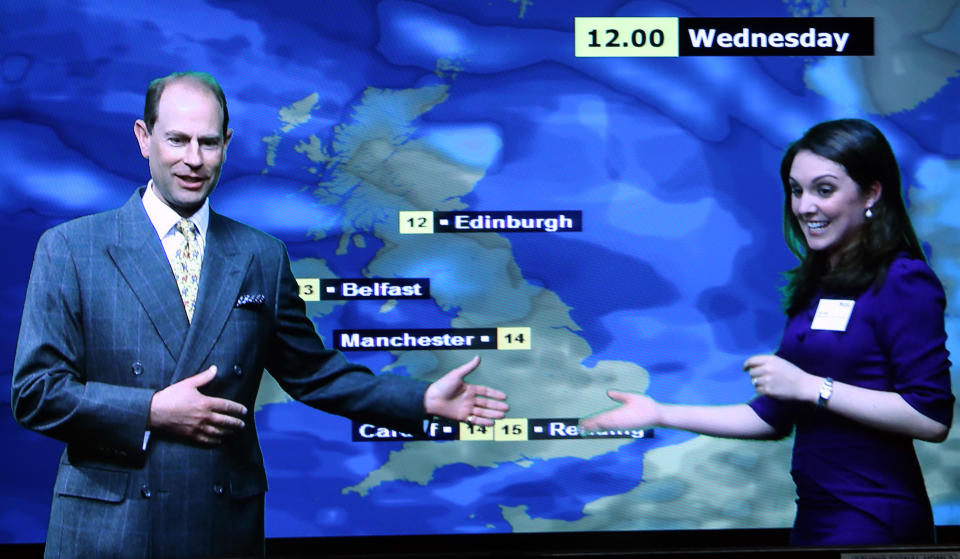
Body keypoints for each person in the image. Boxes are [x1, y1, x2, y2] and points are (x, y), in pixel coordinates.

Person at [11, 71, 509, 558]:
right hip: (108, 529)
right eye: (177, 140)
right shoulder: (71, 249)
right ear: (144, 139)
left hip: (220, 525)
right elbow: (37, 394)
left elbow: (314, 374)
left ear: (227, 143)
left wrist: (419, 398)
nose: (193, 160)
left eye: (208, 143)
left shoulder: (261, 256)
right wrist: (151, 411)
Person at [582, 119, 954, 546]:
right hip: (818, 517)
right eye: (797, 190)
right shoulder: (820, 285)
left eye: (824, 189)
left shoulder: (903, 281)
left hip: (874, 519)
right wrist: (660, 413)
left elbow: (930, 417)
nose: (805, 206)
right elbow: (772, 416)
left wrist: (813, 386)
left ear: (871, 192)